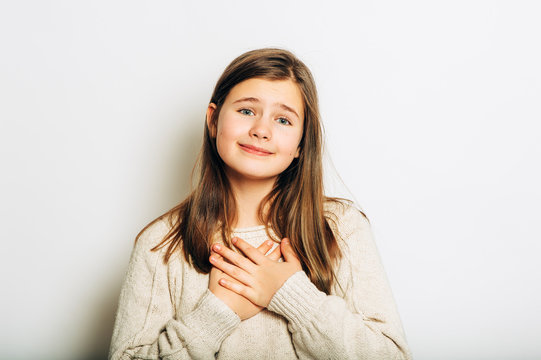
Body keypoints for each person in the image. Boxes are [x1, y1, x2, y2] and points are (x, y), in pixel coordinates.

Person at [109, 48, 412, 360]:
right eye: (246, 111)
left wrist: (293, 296)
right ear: (213, 120)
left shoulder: (341, 227)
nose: (262, 130)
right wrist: (217, 312)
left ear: (300, 144)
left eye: (283, 119)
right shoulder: (160, 245)